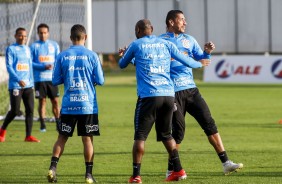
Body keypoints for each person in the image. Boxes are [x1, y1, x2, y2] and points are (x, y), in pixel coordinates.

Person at [118, 19, 210, 183]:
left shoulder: (136, 44)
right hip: (168, 95)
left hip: (148, 96)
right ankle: (179, 170)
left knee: (140, 136)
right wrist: (199, 64)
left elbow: (122, 64)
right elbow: (186, 60)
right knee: (167, 135)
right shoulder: (165, 43)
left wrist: (124, 55)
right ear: (151, 29)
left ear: (138, 30)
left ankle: (136, 176)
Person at [159, 10, 243, 176]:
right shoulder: (160, 41)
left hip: (191, 90)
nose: (185, 22)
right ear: (171, 22)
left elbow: (201, 58)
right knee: (178, 133)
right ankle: (172, 170)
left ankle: (226, 162)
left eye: (184, 19)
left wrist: (207, 52)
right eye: (181, 19)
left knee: (209, 123)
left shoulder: (189, 40)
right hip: (173, 92)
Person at [46, 24, 104, 184]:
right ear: (85, 37)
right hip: (87, 105)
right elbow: (100, 80)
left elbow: (55, 80)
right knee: (87, 139)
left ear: (71, 38)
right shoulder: (92, 56)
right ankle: (88, 175)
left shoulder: (62, 56)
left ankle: (52, 168)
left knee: (62, 138)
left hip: (69, 105)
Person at [0, 27, 40, 142]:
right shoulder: (11, 49)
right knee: (15, 111)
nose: (23, 37)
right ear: (15, 36)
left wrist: (32, 82)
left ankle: (28, 136)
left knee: (30, 110)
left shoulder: (27, 49)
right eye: (20, 35)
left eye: (25, 36)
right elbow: (9, 67)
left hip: (28, 85)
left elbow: (29, 67)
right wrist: (18, 79)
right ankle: (2, 130)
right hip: (16, 85)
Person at [30, 23, 60, 132]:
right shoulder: (34, 46)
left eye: (45, 33)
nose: (43, 35)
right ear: (38, 33)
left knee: (55, 101)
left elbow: (58, 60)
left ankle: (58, 123)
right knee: (42, 102)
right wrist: (43, 66)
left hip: (52, 79)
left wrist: (55, 68)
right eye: (41, 33)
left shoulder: (54, 45)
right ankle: (42, 124)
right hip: (39, 79)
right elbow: (30, 62)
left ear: (48, 33)